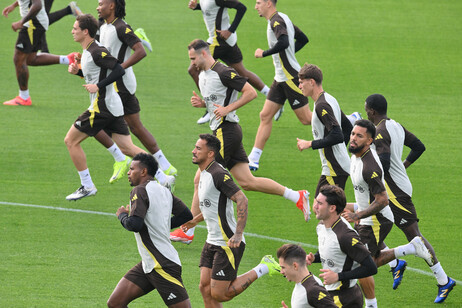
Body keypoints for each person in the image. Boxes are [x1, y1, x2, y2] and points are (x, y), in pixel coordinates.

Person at [170, 40, 310, 244]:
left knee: (200, 179)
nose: (191, 63)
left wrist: (228, 109)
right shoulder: (203, 75)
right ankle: (296, 196)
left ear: (203, 53)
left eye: (193, 58)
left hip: (225, 133)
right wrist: (203, 104)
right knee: (247, 182)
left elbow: (250, 93)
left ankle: (187, 229)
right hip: (225, 131)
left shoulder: (223, 72)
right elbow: (216, 102)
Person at [364, 94, 455, 303]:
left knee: (415, 237)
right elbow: (419, 146)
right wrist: (403, 166)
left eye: (366, 109)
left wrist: (375, 176)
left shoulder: (379, 132)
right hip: (395, 187)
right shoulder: (394, 125)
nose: (366, 112)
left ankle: (443, 280)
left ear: (372, 111)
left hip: (395, 193)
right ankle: (395, 264)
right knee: (368, 223)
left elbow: (384, 162)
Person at [180, 134, 281, 307]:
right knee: (205, 288)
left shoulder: (218, 174)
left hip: (227, 241)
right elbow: (212, 206)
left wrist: (238, 234)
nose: (193, 151)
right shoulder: (204, 172)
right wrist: (194, 221)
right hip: (212, 239)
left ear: (210, 153)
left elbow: (242, 199)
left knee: (220, 294)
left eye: (198, 148)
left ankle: (264, 267)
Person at [342, 120, 433, 308]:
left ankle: (410, 249)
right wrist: (351, 207)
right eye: (352, 134)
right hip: (365, 217)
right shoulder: (355, 157)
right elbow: (364, 194)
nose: (353, 138)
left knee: (362, 266)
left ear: (369, 141)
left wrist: (358, 215)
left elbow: (383, 200)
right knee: (360, 263)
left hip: (377, 220)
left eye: (359, 136)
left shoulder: (370, 166)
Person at [94, 0, 176, 190]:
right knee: (127, 133)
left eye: (101, 3)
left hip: (120, 85)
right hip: (111, 85)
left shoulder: (121, 27)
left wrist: (119, 69)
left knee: (126, 133)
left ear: (112, 5)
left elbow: (140, 52)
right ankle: (162, 170)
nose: (97, 7)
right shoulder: (103, 25)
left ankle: (157, 169)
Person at [65, 14, 139, 200]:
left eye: (75, 28)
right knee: (128, 148)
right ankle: (162, 178)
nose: (72, 31)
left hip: (102, 107)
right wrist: (78, 72)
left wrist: (98, 86)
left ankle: (87, 185)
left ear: (85, 31)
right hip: (111, 107)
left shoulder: (96, 51)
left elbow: (119, 69)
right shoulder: (89, 52)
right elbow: (97, 75)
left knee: (70, 141)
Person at [108, 153, 193, 307]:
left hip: (162, 263)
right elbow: (186, 215)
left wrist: (122, 216)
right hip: (149, 264)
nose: (128, 172)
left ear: (143, 172)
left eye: (132, 169)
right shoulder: (165, 191)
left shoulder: (139, 191)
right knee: (116, 302)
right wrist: (159, 224)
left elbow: (134, 224)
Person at [187, 0, 275, 125]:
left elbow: (241, 8)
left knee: (193, 69)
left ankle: (209, 106)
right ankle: (271, 95)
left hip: (219, 40)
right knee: (242, 71)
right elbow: (211, 9)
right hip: (225, 42)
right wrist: (197, 7)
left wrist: (230, 30)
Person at [248, 0, 312, 171]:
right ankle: (254, 158)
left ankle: (347, 120)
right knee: (265, 115)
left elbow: (283, 42)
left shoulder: (276, 21)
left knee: (306, 119)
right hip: (280, 78)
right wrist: (287, 54)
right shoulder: (284, 18)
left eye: (258, 2)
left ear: (269, 3)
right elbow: (303, 39)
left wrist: (264, 53)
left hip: (291, 77)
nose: (256, 6)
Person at [306, 185, 377, 307]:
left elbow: (371, 268)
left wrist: (338, 276)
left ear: (332, 208)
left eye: (320, 203)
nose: (315, 206)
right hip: (330, 294)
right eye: (316, 202)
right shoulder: (321, 226)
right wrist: (315, 258)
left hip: (346, 299)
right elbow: (336, 252)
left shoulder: (345, 236)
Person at [2, 0, 79, 106]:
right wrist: (14, 5)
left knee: (18, 58)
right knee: (30, 59)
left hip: (32, 24)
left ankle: (24, 98)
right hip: (35, 23)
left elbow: (37, 4)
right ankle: (68, 59)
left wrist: (21, 21)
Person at [296, 64, 352, 197]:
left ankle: (359, 214)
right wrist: (340, 151)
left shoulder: (322, 105)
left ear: (311, 82)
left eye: (301, 83)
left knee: (322, 207)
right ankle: (357, 214)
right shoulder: (329, 99)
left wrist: (309, 144)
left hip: (334, 168)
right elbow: (348, 128)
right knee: (325, 207)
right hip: (336, 166)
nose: (299, 86)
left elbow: (337, 135)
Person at [276, 243, 336, 308]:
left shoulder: (312, 290)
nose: (281, 272)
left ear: (295, 266)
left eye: (283, 267)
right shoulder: (302, 283)